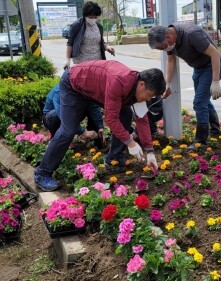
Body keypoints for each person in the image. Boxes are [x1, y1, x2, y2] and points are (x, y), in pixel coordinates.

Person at [34, 61, 166, 192]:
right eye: (149, 95)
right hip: (74, 85)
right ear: (141, 84)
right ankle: (42, 173)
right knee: (68, 130)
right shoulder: (119, 82)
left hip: (94, 89)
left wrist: (150, 150)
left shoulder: (136, 87)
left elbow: (141, 118)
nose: (149, 99)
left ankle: (113, 157)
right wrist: (130, 142)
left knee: (125, 114)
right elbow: (111, 119)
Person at [147, 23, 221, 147]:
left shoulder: (192, 34)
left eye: (162, 48)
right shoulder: (170, 41)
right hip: (198, 68)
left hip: (211, 66)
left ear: (168, 38)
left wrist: (215, 81)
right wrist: (168, 84)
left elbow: (215, 54)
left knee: (199, 103)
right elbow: (171, 60)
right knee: (203, 101)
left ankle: (201, 141)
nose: (163, 50)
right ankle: (215, 129)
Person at [42, 83, 106, 148]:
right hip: (53, 118)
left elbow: (93, 107)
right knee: (55, 115)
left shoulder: (84, 87)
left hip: (71, 114)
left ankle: (97, 140)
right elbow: (62, 115)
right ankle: (56, 139)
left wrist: (100, 127)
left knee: (88, 106)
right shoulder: (60, 90)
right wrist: (82, 131)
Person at [64, 1, 115, 69]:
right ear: (85, 14)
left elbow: (100, 42)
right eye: (91, 16)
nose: (93, 18)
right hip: (82, 62)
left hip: (98, 61)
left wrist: (107, 47)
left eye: (95, 16)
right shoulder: (77, 25)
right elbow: (70, 43)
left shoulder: (99, 26)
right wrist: (67, 60)